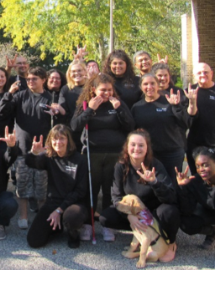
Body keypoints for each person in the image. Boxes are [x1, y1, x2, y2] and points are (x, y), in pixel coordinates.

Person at [71, 72, 134, 241]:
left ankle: (108, 225)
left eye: (109, 90)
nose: (106, 93)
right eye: (102, 90)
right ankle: (88, 224)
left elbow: (130, 125)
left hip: (115, 153)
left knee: (110, 189)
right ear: (93, 90)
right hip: (93, 153)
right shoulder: (86, 104)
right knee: (90, 190)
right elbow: (75, 126)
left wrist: (119, 108)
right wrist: (90, 109)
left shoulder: (118, 104)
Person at [99, 130, 179, 261]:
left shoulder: (155, 165)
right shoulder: (121, 166)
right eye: (133, 144)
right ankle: (141, 235)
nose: (137, 148)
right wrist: (129, 216)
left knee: (170, 211)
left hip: (154, 213)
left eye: (141, 145)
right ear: (127, 147)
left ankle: (171, 243)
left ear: (147, 148)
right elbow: (116, 197)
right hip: (135, 213)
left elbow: (170, 197)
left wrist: (154, 182)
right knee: (105, 217)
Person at [0, 66, 56, 229]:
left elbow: (58, 121)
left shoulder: (50, 98)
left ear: (43, 80)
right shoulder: (20, 96)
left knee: (42, 187)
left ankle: (42, 218)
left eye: (34, 79)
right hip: (23, 148)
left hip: (43, 150)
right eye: (28, 79)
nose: (30, 82)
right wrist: (9, 93)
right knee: (22, 186)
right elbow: (2, 111)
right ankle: (23, 217)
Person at [26, 125, 89, 249]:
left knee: (72, 216)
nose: (58, 142)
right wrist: (33, 153)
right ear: (50, 141)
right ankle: (56, 229)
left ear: (68, 140)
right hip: (53, 202)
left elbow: (80, 191)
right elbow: (31, 163)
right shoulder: (49, 158)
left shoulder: (80, 160)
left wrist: (59, 210)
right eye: (55, 139)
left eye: (62, 138)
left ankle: (73, 234)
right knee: (34, 241)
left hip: (75, 204)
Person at [131, 74, 193, 181]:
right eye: (145, 84)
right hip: (150, 154)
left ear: (158, 86)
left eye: (152, 83)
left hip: (172, 152)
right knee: (153, 184)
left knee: (172, 184)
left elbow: (185, 123)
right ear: (141, 87)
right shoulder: (137, 107)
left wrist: (176, 106)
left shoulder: (169, 102)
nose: (149, 87)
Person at [58, 60, 88, 151]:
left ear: (85, 71)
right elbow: (63, 108)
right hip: (71, 130)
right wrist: (57, 108)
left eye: (79, 70)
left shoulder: (91, 87)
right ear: (69, 74)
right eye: (73, 71)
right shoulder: (66, 89)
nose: (77, 73)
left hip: (88, 129)